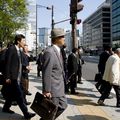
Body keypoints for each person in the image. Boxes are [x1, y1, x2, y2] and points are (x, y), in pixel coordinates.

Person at [2, 34, 35, 119]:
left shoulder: (19, 50)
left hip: (18, 77)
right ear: (18, 41)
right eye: (23, 41)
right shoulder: (11, 49)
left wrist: (25, 67)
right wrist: (7, 77)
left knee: (11, 95)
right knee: (20, 96)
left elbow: (18, 64)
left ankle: (5, 108)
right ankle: (26, 113)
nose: (24, 42)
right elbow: (7, 64)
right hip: (13, 78)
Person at [41, 28, 67, 120]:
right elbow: (46, 72)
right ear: (56, 39)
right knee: (52, 111)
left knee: (62, 106)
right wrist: (46, 90)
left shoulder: (58, 51)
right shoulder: (50, 52)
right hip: (53, 89)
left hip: (60, 87)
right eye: (62, 36)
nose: (64, 38)